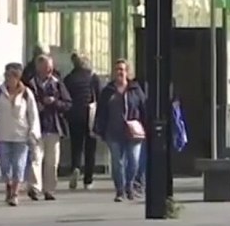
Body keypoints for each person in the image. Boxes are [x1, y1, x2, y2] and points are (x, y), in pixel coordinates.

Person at [93, 59, 147, 202]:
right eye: (117, 69)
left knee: (134, 160)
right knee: (118, 162)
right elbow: (101, 111)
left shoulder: (135, 89)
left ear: (127, 72)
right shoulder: (108, 91)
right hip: (113, 132)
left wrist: (146, 126)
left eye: (122, 69)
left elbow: (144, 108)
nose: (120, 72)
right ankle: (120, 190)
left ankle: (130, 185)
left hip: (133, 132)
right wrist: (99, 129)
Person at [25, 54, 71, 201]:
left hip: (54, 126)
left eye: (50, 67)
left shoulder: (57, 83)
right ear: (38, 68)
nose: (48, 70)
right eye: (45, 67)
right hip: (36, 127)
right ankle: (35, 187)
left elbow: (68, 103)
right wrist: (37, 105)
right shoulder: (30, 84)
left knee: (52, 161)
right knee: (36, 158)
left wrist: (54, 102)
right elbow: (24, 104)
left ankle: (49, 189)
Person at [0, 63, 40, 206]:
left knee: (19, 165)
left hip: (21, 135)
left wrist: (33, 131)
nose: (7, 79)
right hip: (3, 134)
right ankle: (8, 184)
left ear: (17, 78)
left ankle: (15, 193)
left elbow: (33, 114)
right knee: (5, 165)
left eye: (10, 77)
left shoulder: (26, 93)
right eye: (6, 76)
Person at [62, 53, 103, 190]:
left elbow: (65, 97)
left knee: (76, 146)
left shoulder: (69, 79)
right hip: (90, 114)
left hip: (74, 115)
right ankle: (88, 179)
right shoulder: (93, 78)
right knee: (90, 148)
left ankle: (76, 167)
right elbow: (99, 96)